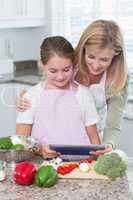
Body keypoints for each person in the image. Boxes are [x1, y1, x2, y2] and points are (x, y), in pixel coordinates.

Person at [16, 19, 129, 155]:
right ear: (83, 48)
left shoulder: (118, 79)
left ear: (115, 56)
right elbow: (46, 87)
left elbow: (113, 126)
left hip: (91, 143)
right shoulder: (69, 63)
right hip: (51, 146)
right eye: (91, 56)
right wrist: (25, 97)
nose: (96, 65)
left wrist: (105, 146)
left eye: (104, 59)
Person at [16, 36, 101, 158]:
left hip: (81, 165)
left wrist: (97, 163)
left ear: (73, 65)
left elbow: (94, 138)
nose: (60, 77)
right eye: (53, 71)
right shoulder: (31, 96)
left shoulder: (83, 94)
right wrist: (40, 150)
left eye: (66, 69)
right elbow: (21, 140)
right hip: (44, 165)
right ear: (42, 65)